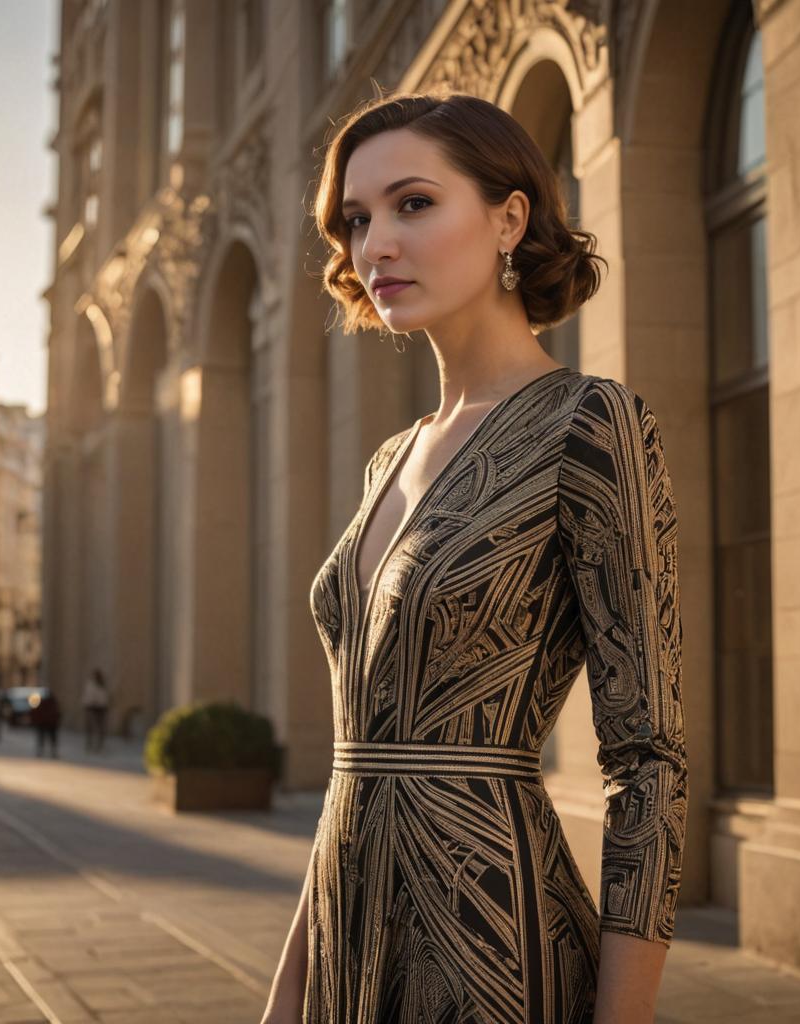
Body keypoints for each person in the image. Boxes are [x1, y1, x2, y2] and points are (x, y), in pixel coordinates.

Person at [261, 91, 689, 1024]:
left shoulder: (592, 422)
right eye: (357, 219)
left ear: (509, 217)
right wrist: (285, 999)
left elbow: (650, 762)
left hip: (493, 953)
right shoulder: (391, 457)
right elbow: (355, 767)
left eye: (413, 204)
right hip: (346, 951)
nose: (375, 244)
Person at [82, 668, 109, 753]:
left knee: (100, 727)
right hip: (91, 707)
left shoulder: (103, 685)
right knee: (90, 727)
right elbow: (88, 696)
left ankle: (99, 745)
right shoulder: (91, 684)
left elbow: (104, 697)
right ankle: (89, 743)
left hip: (100, 708)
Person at [31, 689, 61, 759]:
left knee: (44, 738)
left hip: (47, 722)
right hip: (48, 723)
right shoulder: (51, 702)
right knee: (49, 738)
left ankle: (47, 751)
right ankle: (51, 752)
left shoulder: (45, 702)